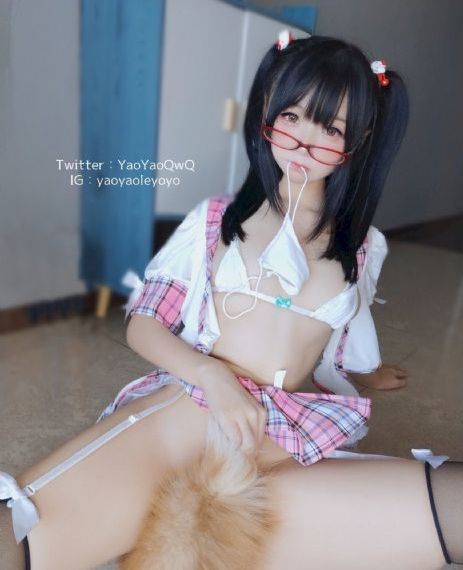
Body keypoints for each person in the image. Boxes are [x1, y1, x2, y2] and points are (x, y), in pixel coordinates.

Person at [1, 32, 461, 570]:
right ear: (267, 111)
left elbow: (341, 338)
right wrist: (213, 378)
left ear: (357, 142)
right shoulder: (216, 221)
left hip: (288, 442)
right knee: (22, 526)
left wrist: (371, 373)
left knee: (449, 502)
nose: (303, 142)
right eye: (291, 116)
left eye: (330, 129)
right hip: (192, 414)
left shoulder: (364, 247)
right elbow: (144, 323)